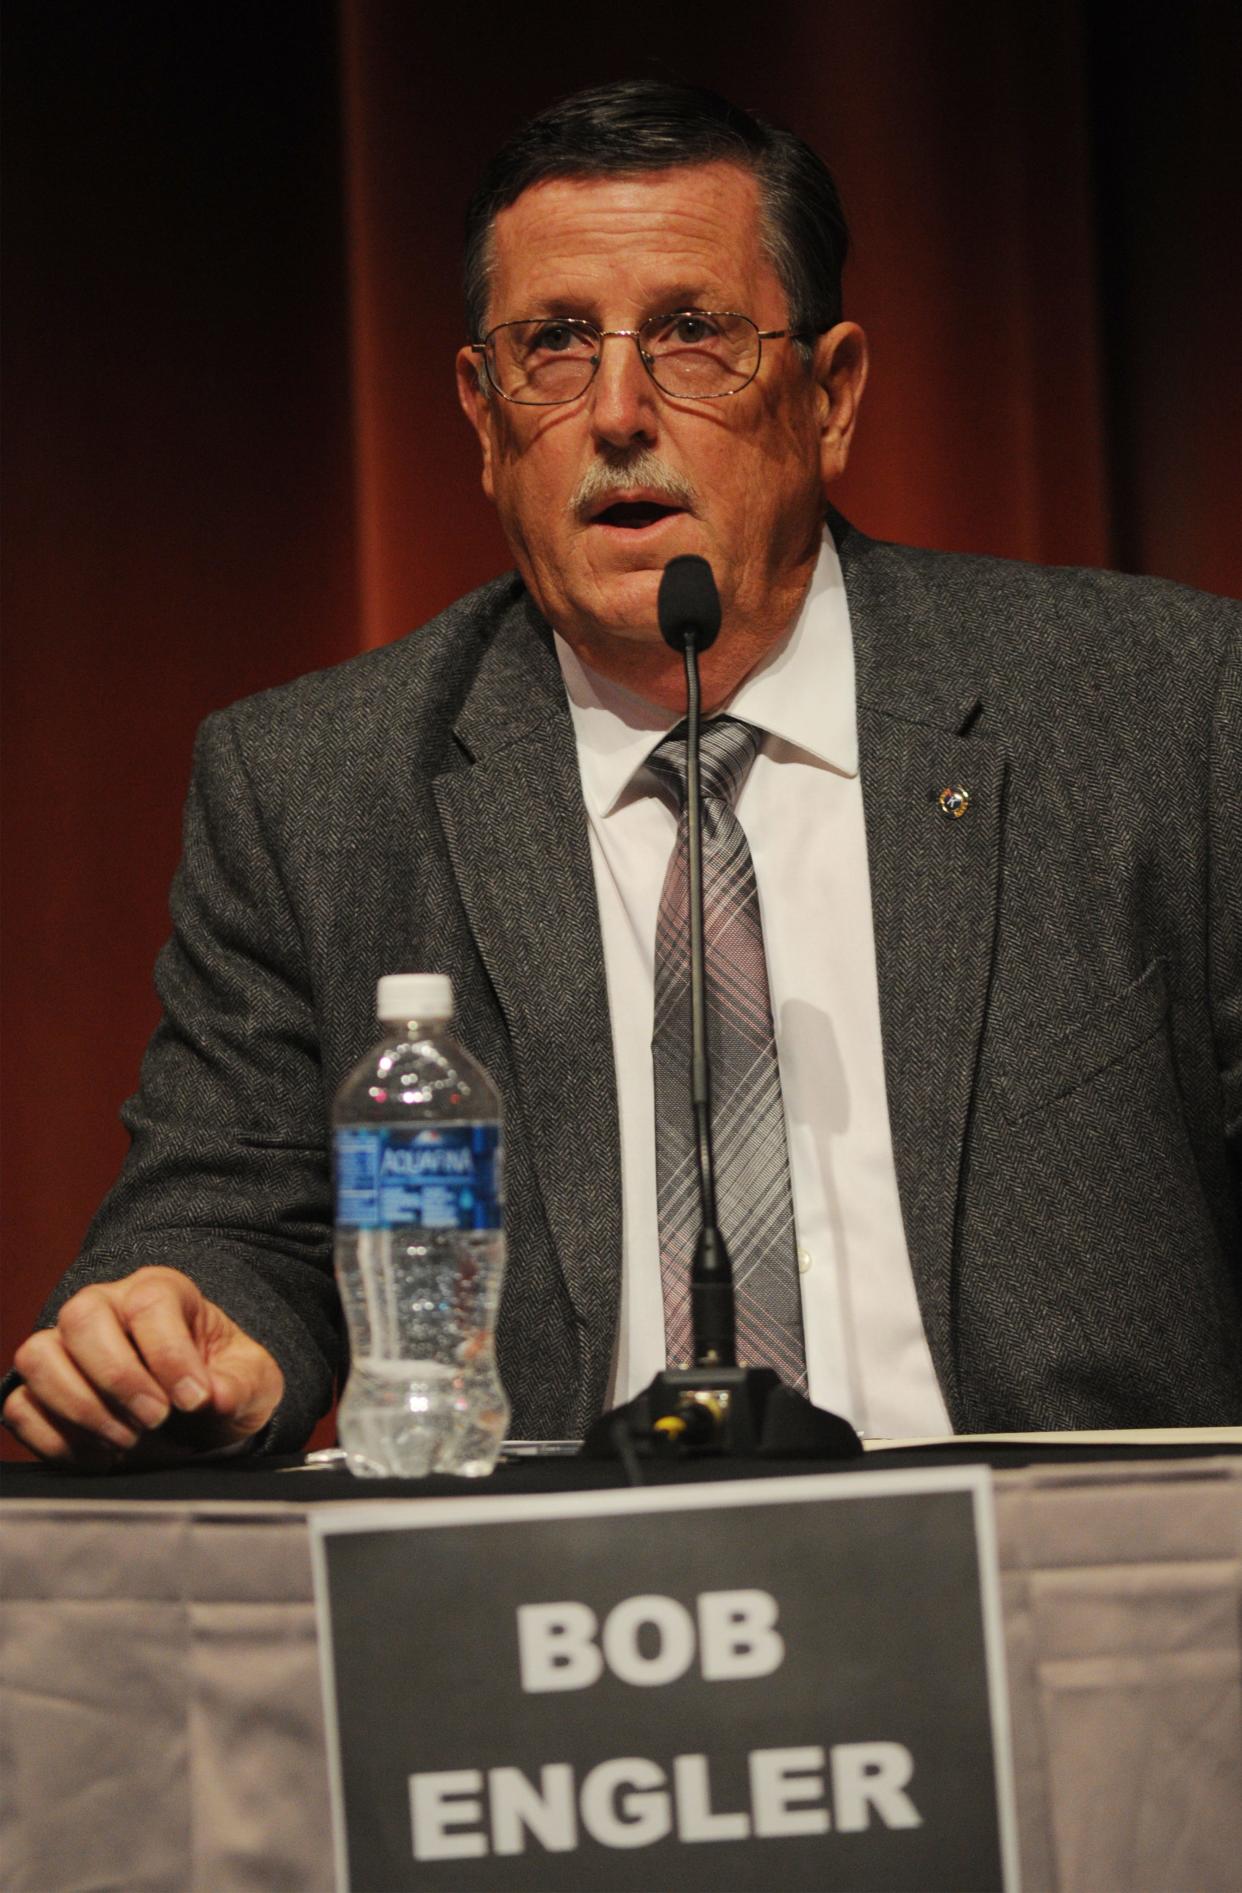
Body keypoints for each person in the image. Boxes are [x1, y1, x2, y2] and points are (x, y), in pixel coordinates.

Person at [4, 80, 1239, 1466]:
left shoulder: (1153, 709)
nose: (616, 413)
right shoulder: (314, 785)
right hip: (554, 1608)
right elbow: (226, 1217)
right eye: (553, 347)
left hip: (1067, 1594)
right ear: (479, 416)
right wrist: (182, 1329)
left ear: (828, 396)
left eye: (691, 335)